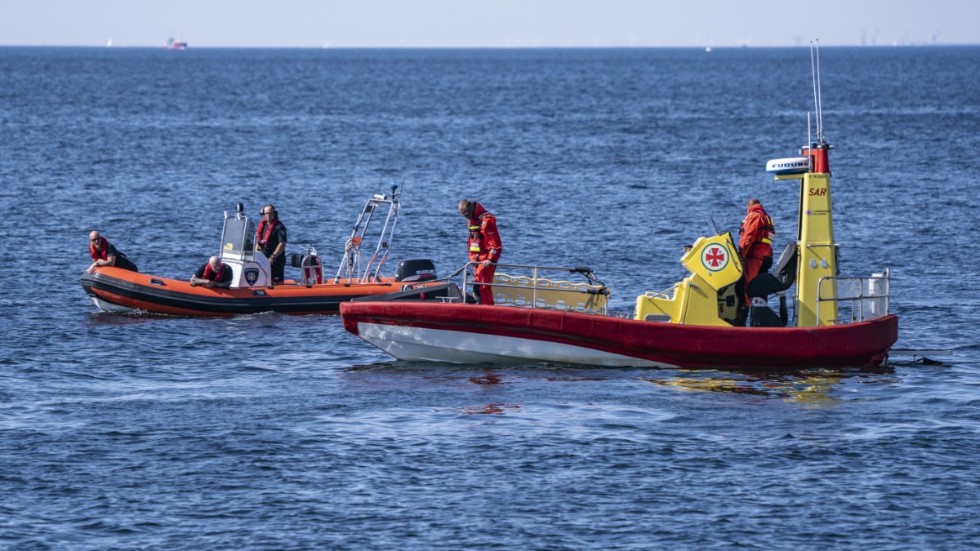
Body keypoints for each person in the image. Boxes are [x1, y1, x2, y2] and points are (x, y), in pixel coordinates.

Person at [458, 199, 502, 305]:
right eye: (464, 215)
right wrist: (472, 258)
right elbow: (473, 241)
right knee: (477, 289)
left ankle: (488, 310)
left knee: (483, 288)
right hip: (477, 261)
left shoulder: (487, 220)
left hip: (486, 261)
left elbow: (495, 243)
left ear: (472, 208)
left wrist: (490, 259)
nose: (466, 217)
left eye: (467, 214)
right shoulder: (472, 220)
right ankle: (481, 308)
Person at [738, 198, 776, 296]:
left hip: (755, 256)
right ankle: (761, 308)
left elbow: (748, 237)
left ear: (748, 207)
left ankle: (744, 309)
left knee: (744, 285)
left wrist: (741, 254)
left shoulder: (754, 215)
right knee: (760, 287)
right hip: (766, 256)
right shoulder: (767, 217)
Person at [255, 204, 287, 284]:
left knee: (276, 282)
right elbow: (259, 241)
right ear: (264, 214)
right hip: (263, 259)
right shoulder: (263, 225)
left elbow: (282, 243)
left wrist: (273, 257)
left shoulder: (279, 227)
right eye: (267, 213)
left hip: (276, 260)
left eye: (271, 213)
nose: (269, 215)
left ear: (274, 213)